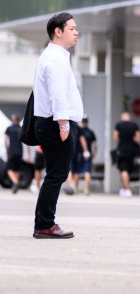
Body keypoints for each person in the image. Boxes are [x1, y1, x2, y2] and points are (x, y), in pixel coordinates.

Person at [32, 12, 83, 239]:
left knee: (55, 174)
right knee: (56, 175)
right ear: (58, 31)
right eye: (71, 28)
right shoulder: (55, 58)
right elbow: (57, 94)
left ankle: (43, 223)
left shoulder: (57, 56)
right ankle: (45, 225)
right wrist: (64, 125)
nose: (76, 32)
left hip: (52, 124)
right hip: (56, 125)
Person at [113, 112, 140, 197]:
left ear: (122, 117)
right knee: (128, 170)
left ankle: (127, 189)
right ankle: (124, 189)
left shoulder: (118, 125)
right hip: (132, 150)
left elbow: (115, 137)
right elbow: (138, 139)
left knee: (123, 170)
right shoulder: (135, 125)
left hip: (122, 150)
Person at [72, 116, 96, 195]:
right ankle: (86, 189)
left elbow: (81, 140)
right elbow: (95, 145)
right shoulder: (91, 132)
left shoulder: (79, 130)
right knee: (87, 171)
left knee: (76, 171)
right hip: (87, 154)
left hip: (79, 153)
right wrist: (93, 153)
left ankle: (76, 188)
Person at [4, 114, 23, 193]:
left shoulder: (9, 128)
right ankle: (15, 185)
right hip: (19, 152)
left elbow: (6, 140)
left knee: (9, 169)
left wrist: (6, 149)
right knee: (17, 169)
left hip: (11, 151)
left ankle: (15, 182)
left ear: (13, 120)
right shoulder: (21, 129)